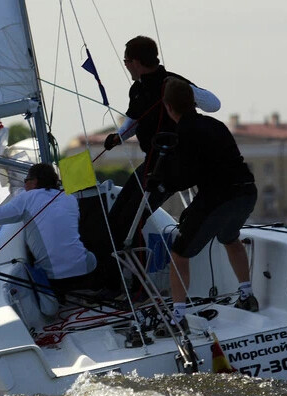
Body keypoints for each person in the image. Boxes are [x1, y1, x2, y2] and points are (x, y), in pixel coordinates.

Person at [102, 35, 220, 292]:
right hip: (152, 162)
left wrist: (187, 90)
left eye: (125, 61)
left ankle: (139, 286)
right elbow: (133, 121)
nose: (125, 66)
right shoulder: (137, 89)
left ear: (135, 62)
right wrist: (117, 138)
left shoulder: (172, 83)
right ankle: (117, 282)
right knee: (116, 217)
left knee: (135, 218)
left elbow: (214, 105)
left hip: (175, 166)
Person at [152, 78, 259, 332]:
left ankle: (178, 317)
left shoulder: (183, 134)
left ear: (168, 107)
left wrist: (161, 178)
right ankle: (247, 296)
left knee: (179, 253)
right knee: (230, 238)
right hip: (246, 192)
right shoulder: (215, 124)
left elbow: (185, 177)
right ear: (193, 102)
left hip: (219, 197)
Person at [0, 163, 98, 315]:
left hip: (54, 278)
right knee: (90, 256)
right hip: (85, 270)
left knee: (29, 267)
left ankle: (51, 299)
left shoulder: (28, 197)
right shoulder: (69, 198)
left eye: (26, 180)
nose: (24, 185)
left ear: (35, 181)